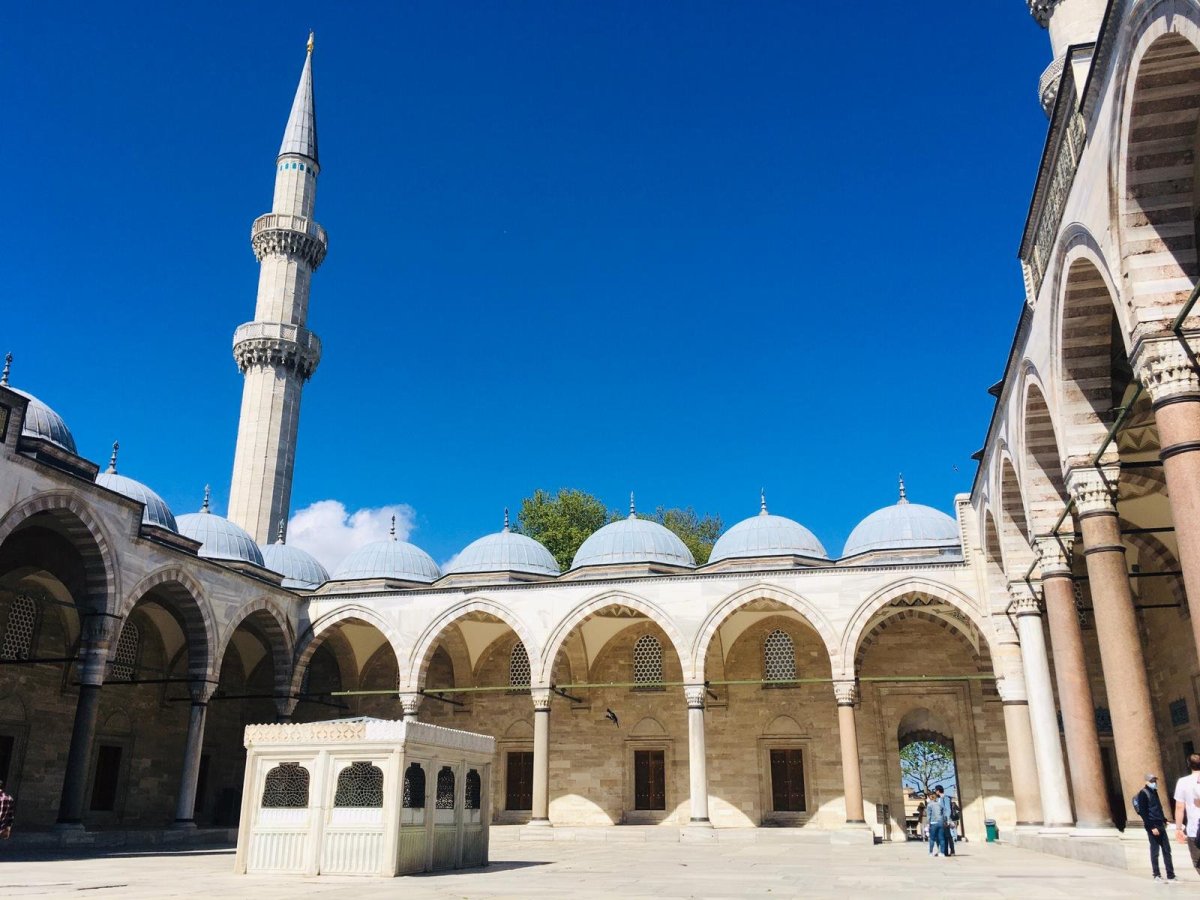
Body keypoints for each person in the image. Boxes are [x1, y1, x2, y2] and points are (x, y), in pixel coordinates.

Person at [1135, 773, 1175, 883]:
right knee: (1155, 850)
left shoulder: (1154, 792)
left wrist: (1164, 819)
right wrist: (1152, 827)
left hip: (1160, 824)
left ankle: (1171, 875)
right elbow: (1143, 812)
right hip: (1152, 825)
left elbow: (1158, 808)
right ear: (1146, 782)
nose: (1154, 783)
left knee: (1167, 850)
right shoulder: (1143, 793)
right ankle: (1156, 874)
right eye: (1152, 781)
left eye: (1155, 781)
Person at [1175, 754, 1200, 874]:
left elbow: (1179, 807)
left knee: (1197, 861)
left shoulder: (1183, 782)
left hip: (1194, 829)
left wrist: (1178, 828)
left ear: (1189, 765)